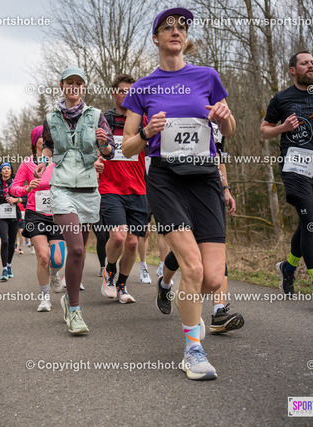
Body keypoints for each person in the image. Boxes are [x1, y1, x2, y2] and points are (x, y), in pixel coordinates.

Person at [122, 8, 236, 380]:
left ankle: (169, 286)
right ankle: (193, 350)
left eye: (182, 26)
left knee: (213, 279)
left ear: (185, 38)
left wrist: (224, 117)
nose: (176, 30)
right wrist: (147, 133)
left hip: (204, 177)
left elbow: (229, 130)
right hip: (166, 178)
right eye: (168, 26)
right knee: (194, 268)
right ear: (156, 38)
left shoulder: (207, 76)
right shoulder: (142, 88)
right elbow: (127, 147)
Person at [260, 50, 313, 310]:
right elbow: (264, 131)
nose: (310, 66)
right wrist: (283, 128)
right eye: (304, 63)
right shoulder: (282, 98)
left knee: (309, 221)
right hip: (295, 165)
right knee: (310, 221)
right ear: (292, 70)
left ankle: (288, 268)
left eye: (312, 62)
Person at [35, 65, 115, 334]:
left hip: (89, 189)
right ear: (62, 86)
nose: (74, 87)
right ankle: (75, 308)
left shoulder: (96, 116)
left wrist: (103, 144)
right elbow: (48, 145)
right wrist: (43, 160)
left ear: (83, 87)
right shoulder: (51, 118)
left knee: (77, 254)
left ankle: (69, 300)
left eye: (78, 83)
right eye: (69, 82)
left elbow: (110, 151)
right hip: (62, 188)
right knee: (78, 249)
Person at [158, 123, 245, 334]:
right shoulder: (177, 114)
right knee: (187, 252)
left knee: (215, 250)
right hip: (179, 189)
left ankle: (218, 311)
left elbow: (219, 156)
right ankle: (165, 284)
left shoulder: (218, 121)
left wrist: (225, 189)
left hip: (210, 189)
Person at [100, 73, 150, 303]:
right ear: (113, 93)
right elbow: (93, 149)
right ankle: (109, 271)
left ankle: (122, 285)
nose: (127, 95)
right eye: (122, 91)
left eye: (132, 91)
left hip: (138, 188)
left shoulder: (143, 120)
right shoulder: (104, 119)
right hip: (110, 187)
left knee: (132, 242)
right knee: (119, 236)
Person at [10, 125, 65, 312]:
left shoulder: (59, 161)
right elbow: (14, 188)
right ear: (36, 142)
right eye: (43, 137)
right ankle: (44, 297)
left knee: (57, 260)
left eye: (49, 136)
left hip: (57, 213)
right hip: (36, 214)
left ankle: (54, 274)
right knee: (43, 256)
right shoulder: (27, 163)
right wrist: (26, 189)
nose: (47, 139)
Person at [0, 162, 25, 281]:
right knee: (4, 241)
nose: (6, 170)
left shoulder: (17, 183)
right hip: (1, 216)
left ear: (11, 171)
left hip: (14, 216)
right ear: (0, 171)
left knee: (11, 243)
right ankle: (4, 269)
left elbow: (25, 197)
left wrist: (16, 200)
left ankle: (9, 265)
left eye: (8, 168)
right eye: (3, 168)